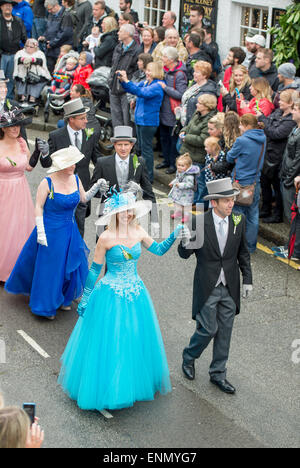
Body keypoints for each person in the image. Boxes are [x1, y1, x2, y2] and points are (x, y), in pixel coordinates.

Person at [57, 183, 187, 411]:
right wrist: (85, 298)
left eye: (130, 211)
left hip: (136, 292)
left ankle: (132, 382)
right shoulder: (106, 238)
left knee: (134, 338)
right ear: (114, 214)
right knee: (112, 341)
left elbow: (157, 250)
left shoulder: (138, 231)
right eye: (123, 211)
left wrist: (175, 234)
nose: (127, 214)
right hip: (110, 295)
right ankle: (110, 388)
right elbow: (95, 271)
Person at [5, 146, 108, 319]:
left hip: (70, 230)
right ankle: (44, 305)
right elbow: (38, 207)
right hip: (50, 231)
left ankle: (62, 298)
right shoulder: (48, 182)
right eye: (69, 164)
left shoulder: (75, 179)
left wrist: (97, 186)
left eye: (74, 164)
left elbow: (83, 199)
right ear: (60, 166)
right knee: (50, 269)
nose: (73, 167)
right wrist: (40, 232)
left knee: (66, 265)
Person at [179, 177, 253, 394]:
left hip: (230, 286)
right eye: (226, 200)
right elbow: (185, 255)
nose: (231, 204)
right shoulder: (198, 223)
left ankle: (218, 374)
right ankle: (189, 356)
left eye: (232, 199)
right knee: (208, 329)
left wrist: (247, 279)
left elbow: (243, 253)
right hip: (207, 286)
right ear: (214, 203)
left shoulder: (239, 220)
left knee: (225, 331)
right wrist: (184, 240)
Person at [46, 98, 102, 237]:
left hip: (81, 190)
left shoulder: (91, 135)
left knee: (78, 230)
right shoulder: (56, 136)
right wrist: (44, 153)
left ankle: (75, 258)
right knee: (60, 230)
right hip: (60, 191)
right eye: (82, 118)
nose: (86, 121)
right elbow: (47, 164)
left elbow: (98, 160)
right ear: (71, 119)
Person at [90, 125, 159, 237]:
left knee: (128, 250)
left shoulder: (139, 162)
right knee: (106, 249)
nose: (123, 148)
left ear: (131, 145)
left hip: (129, 215)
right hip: (107, 215)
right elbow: (92, 189)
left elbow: (149, 193)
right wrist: (99, 189)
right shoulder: (102, 162)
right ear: (114, 145)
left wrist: (154, 219)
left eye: (126, 145)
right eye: (119, 145)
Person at [0, 108, 35, 283]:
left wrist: (39, 154)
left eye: (18, 126)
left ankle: (14, 268)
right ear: (4, 128)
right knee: (3, 227)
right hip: (2, 189)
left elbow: (29, 167)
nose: (16, 129)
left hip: (20, 190)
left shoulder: (22, 142)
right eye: (12, 126)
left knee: (18, 228)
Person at [118, 61, 164, 183]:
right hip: (140, 119)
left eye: (150, 70)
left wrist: (127, 81)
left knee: (146, 150)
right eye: (147, 70)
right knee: (142, 149)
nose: (147, 73)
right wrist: (123, 80)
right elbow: (133, 88)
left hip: (148, 122)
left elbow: (142, 93)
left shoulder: (158, 85)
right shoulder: (145, 82)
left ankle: (148, 177)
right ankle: (143, 174)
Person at [226, 114, 266, 253]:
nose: (239, 127)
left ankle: (235, 246)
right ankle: (250, 247)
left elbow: (229, 157)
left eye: (241, 125)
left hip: (241, 183)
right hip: (255, 182)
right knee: (252, 216)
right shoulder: (263, 138)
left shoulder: (242, 140)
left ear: (247, 125)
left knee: (236, 214)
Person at [259, 89, 297, 223]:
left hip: (278, 158)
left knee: (277, 188)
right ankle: (265, 209)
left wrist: (263, 120)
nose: (278, 102)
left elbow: (276, 133)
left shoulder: (290, 120)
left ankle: (277, 215)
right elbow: (270, 127)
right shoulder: (278, 112)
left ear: (290, 103)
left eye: (282, 100)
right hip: (267, 154)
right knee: (264, 184)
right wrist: (266, 124)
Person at [179, 93, 218, 205]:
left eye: (200, 103)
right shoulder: (197, 114)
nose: (197, 104)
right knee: (191, 181)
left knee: (200, 183)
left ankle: (200, 204)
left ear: (207, 105)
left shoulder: (209, 120)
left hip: (198, 156)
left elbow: (202, 139)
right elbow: (189, 125)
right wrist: (183, 131)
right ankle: (193, 202)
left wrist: (186, 137)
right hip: (189, 153)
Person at [156, 46, 187, 175]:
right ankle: (166, 160)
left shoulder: (179, 74)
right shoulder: (165, 71)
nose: (162, 59)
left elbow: (181, 94)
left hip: (173, 112)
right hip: (164, 109)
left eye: (164, 57)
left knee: (172, 139)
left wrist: (165, 87)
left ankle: (173, 164)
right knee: (164, 137)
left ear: (170, 59)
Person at [108, 24, 139, 128]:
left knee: (127, 120)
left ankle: (127, 143)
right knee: (116, 118)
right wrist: (110, 80)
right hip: (113, 87)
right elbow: (113, 65)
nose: (118, 33)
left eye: (120, 31)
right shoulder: (118, 47)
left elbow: (136, 71)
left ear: (127, 34)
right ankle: (117, 142)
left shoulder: (137, 50)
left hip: (126, 89)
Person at [0, 0, 27, 99]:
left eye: (10, 6)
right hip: (1, 55)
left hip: (14, 54)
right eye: (6, 5)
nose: (8, 7)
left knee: (11, 79)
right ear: (1, 7)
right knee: (1, 78)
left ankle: (9, 101)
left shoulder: (18, 21)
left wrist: (28, 47)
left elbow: (24, 37)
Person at [39, 0, 73, 74]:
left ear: (56, 5)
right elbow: (49, 29)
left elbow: (65, 33)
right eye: (48, 9)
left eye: (50, 9)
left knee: (58, 73)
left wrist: (52, 43)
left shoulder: (66, 15)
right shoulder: (51, 15)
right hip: (50, 49)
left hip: (61, 49)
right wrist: (44, 37)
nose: (49, 11)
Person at [13, 38, 51, 105]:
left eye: (31, 47)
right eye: (27, 46)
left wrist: (32, 60)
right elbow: (17, 60)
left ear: (35, 47)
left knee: (35, 83)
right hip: (22, 76)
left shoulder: (40, 53)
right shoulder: (20, 53)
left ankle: (32, 99)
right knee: (22, 81)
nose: (28, 48)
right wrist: (23, 60)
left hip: (37, 77)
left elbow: (41, 62)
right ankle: (23, 98)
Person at [179, 60, 217, 127]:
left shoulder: (208, 91)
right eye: (194, 71)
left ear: (204, 75)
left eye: (197, 72)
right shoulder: (194, 84)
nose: (194, 74)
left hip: (193, 126)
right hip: (184, 123)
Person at [280, 98, 300, 222]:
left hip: (292, 180)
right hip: (288, 176)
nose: (292, 112)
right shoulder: (295, 129)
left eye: (295, 109)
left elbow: (298, 160)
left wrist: (288, 179)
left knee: (294, 218)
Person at [168, 153, 199, 223]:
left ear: (188, 167)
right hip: (179, 192)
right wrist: (173, 183)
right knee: (177, 203)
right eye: (178, 165)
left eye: (182, 166)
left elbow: (190, 184)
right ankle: (178, 213)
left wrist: (180, 185)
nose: (179, 167)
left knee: (186, 206)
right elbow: (177, 179)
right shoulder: (179, 172)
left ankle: (186, 216)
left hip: (187, 194)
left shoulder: (189, 176)